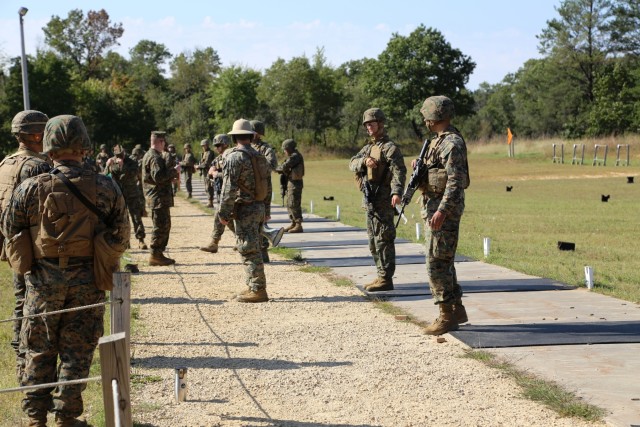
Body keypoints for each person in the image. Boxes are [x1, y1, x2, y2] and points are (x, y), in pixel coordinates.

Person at [0, 115, 129, 427]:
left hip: (42, 283)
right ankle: (67, 417)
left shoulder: (30, 187)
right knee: (77, 351)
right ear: (83, 146)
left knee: (38, 349)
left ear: (49, 148)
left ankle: (34, 418)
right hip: (88, 282)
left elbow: (9, 229)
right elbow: (122, 235)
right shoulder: (106, 187)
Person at [0, 110, 51, 371]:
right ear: (36, 134)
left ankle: (19, 351)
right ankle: (26, 355)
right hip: (34, 245)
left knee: (21, 297)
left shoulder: (5, 163)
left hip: (12, 243)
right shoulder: (38, 167)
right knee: (33, 301)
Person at [417, 96, 470, 335]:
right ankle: (456, 308)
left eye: (426, 114)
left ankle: (445, 315)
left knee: (436, 263)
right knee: (443, 260)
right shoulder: (437, 142)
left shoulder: (451, 143)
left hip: (443, 212)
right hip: (435, 208)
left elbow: (455, 182)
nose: (424, 119)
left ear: (434, 116)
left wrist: (442, 210)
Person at [349, 108, 406, 292]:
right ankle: (381, 275)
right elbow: (351, 163)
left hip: (384, 202)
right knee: (373, 242)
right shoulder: (368, 148)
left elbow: (399, 171)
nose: (368, 128)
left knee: (384, 240)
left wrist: (396, 193)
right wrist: (364, 162)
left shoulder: (390, 148)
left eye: (371, 124)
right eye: (366, 125)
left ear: (380, 124)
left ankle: (386, 278)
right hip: (370, 201)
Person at [218, 119, 269, 303]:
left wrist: (223, 213)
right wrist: (267, 209)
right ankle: (252, 285)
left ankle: (258, 289)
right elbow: (267, 185)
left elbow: (228, 188)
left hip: (245, 208)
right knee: (254, 245)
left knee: (248, 248)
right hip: (259, 206)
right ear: (250, 135)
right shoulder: (259, 155)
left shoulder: (235, 157)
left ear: (234, 137)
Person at [142, 131, 179, 266]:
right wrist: (174, 170)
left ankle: (158, 254)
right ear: (160, 142)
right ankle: (155, 255)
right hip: (158, 198)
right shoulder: (155, 157)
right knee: (160, 226)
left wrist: (170, 178)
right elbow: (158, 177)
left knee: (163, 225)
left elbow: (154, 177)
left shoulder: (149, 155)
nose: (165, 145)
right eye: (164, 142)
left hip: (157, 197)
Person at [105, 144, 148, 249]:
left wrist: (123, 165)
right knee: (121, 219)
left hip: (132, 193)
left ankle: (141, 240)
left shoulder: (131, 162)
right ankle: (125, 241)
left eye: (121, 154)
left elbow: (134, 173)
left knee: (136, 217)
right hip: (119, 195)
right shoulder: (113, 161)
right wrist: (107, 166)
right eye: (117, 155)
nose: (119, 157)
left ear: (124, 153)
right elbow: (105, 177)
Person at [200, 134, 234, 253]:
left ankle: (214, 243)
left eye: (218, 145)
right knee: (226, 218)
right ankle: (238, 239)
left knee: (221, 216)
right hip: (221, 193)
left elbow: (231, 175)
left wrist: (216, 174)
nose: (216, 148)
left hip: (233, 193)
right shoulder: (218, 158)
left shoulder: (232, 157)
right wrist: (211, 173)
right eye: (215, 146)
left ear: (225, 144)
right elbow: (211, 171)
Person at [250, 120, 278, 261]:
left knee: (262, 219)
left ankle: (263, 250)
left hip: (263, 188)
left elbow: (272, 164)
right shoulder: (245, 146)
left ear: (257, 133)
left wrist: (255, 165)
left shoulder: (265, 148)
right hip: (248, 188)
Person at [276, 139, 305, 233]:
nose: (284, 151)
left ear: (289, 148)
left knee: (294, 203)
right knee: (289, 203)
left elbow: (284, 166)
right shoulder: (292, 156)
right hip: (290, 181)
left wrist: (276, 168)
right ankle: (293, 223)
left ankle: (298, 224)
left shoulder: (295, 156)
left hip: (295, 183)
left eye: (285, 149)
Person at [197, 139, 215, 207]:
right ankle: (209, 201)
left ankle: (211, 202)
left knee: (209, 187)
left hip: (209, 171)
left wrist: (198, 166)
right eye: (202, 146)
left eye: (204, 146)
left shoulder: (210, 152)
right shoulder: (204, 153)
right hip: (205, 172)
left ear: (207, 145)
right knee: (206, 187)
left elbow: (206, 164)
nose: (203, 147)